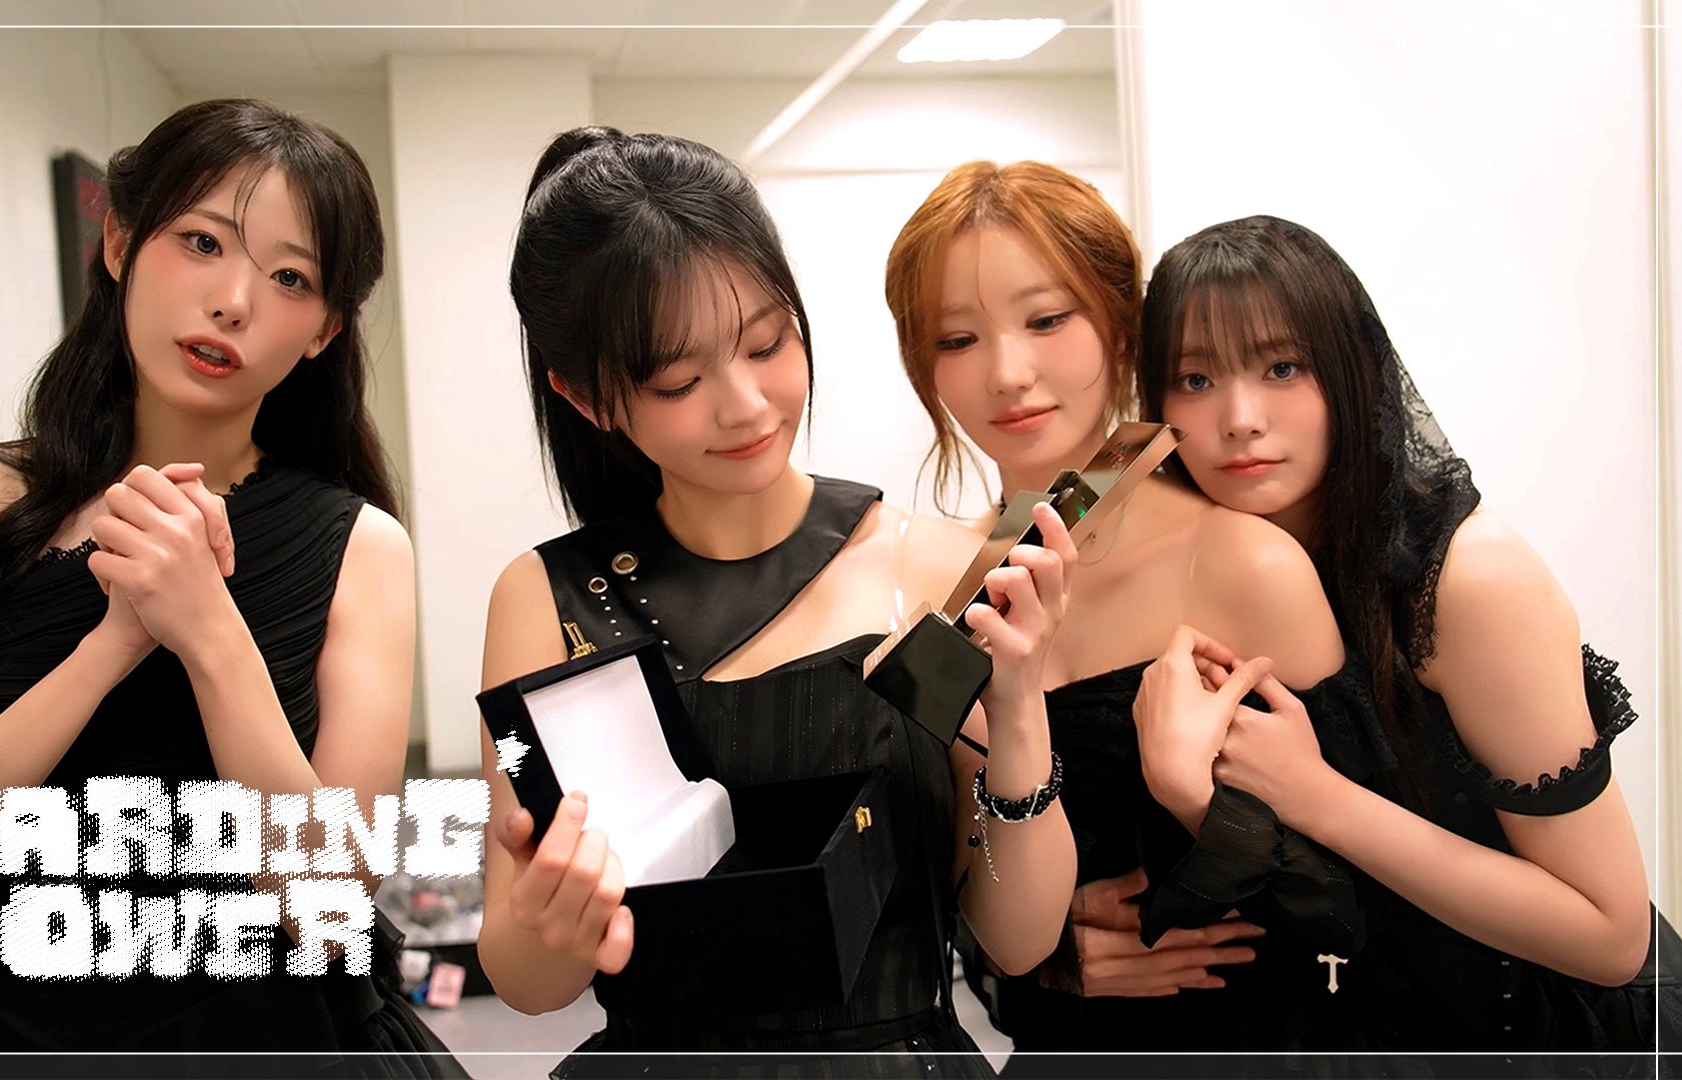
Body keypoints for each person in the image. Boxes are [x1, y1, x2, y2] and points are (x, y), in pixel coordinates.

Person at [0, 98, 462, 1077]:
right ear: (117, 242)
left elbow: (327, 909)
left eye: (290, 277)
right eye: (202, 242)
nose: (234, 300)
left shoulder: (360, 544)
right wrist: (109, 647)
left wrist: (208, 629)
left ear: (324, 329)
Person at [476, 127, 1078, 1078]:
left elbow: (1019, 938)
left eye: (767, 343)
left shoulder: (930, 569)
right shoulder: (546, 603)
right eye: (678, 381)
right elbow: (524, 979)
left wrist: (1020, 710)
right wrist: (552, 916)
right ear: (586, 398)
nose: (748, 404)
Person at [883, 162, 1390, 1067]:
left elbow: (1368, 898)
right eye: (957, 338)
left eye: (1048, 320)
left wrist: (1199, 819)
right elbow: (962, 897)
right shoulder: (941, 589)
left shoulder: (1241, 561)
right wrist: (1045, 958)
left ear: (1121, 323)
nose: (1009, 373)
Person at [1135, 213, 1667, 1059]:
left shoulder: (1468, 579)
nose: (1239, 417)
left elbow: (1610, 938)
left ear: (1352, 372)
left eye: (1282, 367)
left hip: (1536, 1036)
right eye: (1194, 379)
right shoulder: (1208, 570)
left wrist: (1317, 795)